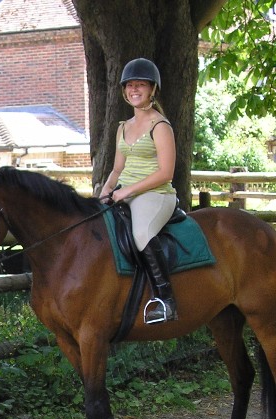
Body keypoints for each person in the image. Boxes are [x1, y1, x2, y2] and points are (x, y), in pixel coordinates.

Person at [98, 57, 179, 323]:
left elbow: (166, 173)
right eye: (130, 85)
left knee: (141, 232)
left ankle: (165, 300)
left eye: (140, 85)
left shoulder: (160, 126)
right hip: (124, 191)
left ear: (152, 89)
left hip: (156, 194)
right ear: (124, 90)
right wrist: (107, 190)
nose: (135, 90)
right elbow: (117, 169)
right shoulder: (123, 127)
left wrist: (127, 191)